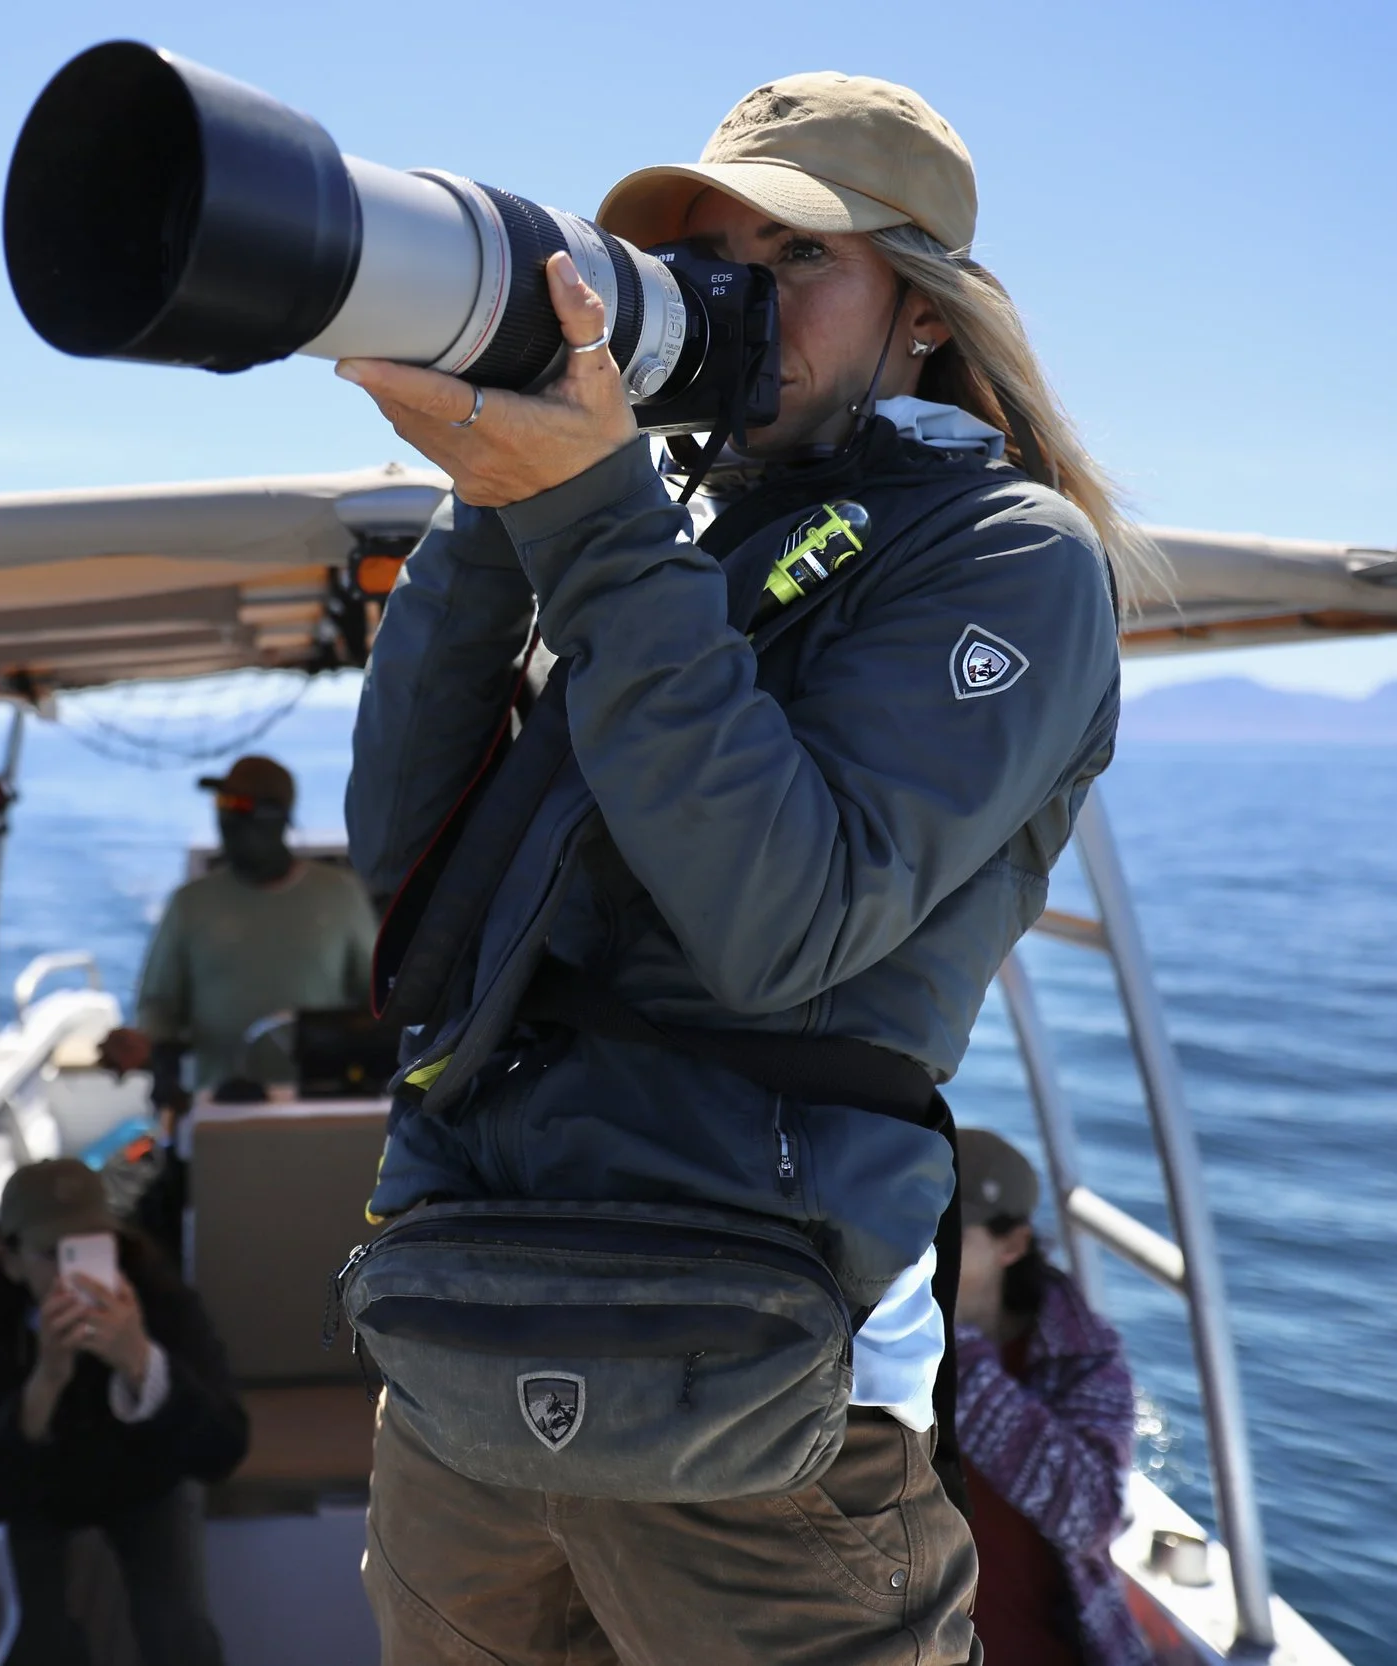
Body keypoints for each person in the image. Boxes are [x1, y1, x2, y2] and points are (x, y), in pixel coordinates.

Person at [337, 69, 1155, 1666]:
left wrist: (588, 513)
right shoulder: (673, 529)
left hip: (756, 1406)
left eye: (797, 260)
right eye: (709, 257)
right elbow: (406, 853)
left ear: (921, 310)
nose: (735, 299)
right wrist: (495, 507)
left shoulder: (1011, 556)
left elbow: (785, 922)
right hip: (468, 1358)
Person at [0, 1159, 249, 1666]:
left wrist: (140, 1362)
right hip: (41, 1494)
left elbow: (223, 1449)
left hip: (144, 1480)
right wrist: (46, 1381)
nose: (76, 1273)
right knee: (42, 1636)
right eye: (55, 1254)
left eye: (92, 1248)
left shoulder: (160, 1298)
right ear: (12, 1261)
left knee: (175, 1630)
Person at [954, 1131, 1152, 1666]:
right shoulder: (874, 1333)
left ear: (1012, 1245)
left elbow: (1093, 1517)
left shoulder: (1082, 1352)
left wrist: (958, 1361)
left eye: (945, 1227)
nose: (919, 1244)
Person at [99, 756, 376, 1099]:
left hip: (322, 1101)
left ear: (279, 815)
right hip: (217, 1106)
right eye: (222, 803)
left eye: (241, 804)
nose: (228, 817)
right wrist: (145, 1046)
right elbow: (159, 1006)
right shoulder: (189, 903)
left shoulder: (340, 895)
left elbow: (376, 1000)